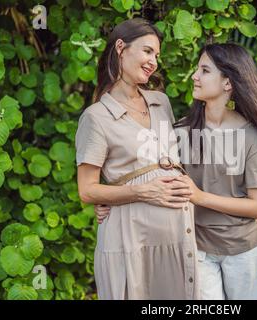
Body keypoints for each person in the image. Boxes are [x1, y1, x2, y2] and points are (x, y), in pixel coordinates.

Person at [95, 43, 257, 299]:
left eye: (205, 70)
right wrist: (111, 200)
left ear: (227, 83)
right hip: (195, 247)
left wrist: (199, 196)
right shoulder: (180, 132)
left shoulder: (249, 136)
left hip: (243, 249)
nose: (195, 76)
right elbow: (147, 176)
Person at [76, 18, 199, 300]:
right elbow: (87, 190)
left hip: (177, 235)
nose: (153, 61)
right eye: (147, 51)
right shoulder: (96, 118)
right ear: (121, 47)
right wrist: (143, 192)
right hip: (130, 238)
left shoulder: (161, 102)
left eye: (156, 55)